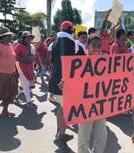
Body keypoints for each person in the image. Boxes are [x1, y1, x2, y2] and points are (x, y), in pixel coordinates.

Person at [78, 35, 107, 153]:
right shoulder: (79, 63)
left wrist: (128, 73)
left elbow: (116, 77)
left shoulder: (106, 62)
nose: (97, 48)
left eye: (99, 46)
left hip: (101, 104)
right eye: (94, 45)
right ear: (87, 46)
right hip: (85, 106)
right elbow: (73, 81)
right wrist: (65, 84)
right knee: (84, 138)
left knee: (101, 136)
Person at [48, 20, 75, 151]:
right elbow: (68, 63)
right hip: (63, 82)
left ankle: (60, 133)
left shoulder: (55, 43)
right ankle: (61, 137)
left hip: (56, 80)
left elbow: (53, 60)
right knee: (65, 109)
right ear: (70, 29)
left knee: (63, 107)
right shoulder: (69, 42)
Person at [0, 27, 18, 116]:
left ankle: (5, 110)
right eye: (8, 36)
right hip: (1, 75)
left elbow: (13, 60)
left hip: (11, 74)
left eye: (10, 35)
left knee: (9, 93)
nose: (10, 37)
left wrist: (16, 72)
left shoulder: (11, 46)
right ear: (3, 37)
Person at [15, 31, 37, 108]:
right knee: (26, 85)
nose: (29, 39)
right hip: (22, 67)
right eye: (27, 37)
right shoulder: (19, 46)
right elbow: (15, 56)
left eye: (30, 37)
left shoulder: (31, 46)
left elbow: (35, 56)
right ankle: (29, 101)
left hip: (30, 67)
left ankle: (15, 96)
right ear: (23, 38)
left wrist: (33, 58)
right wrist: (24, 58)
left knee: (23, 85)